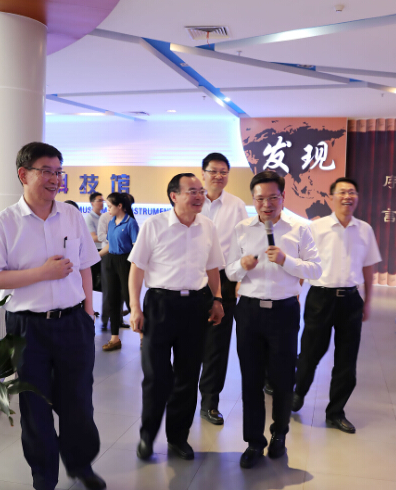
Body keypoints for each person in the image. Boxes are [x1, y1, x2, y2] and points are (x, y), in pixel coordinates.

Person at [0, 142, 105, 490]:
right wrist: (42, 273)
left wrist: (88, 311)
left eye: (58, 171)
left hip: (73, 323)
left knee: (78, 401)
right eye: (46, 171)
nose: (55, 178)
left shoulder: (71, 215)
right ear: (24, 174)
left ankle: (81, 466)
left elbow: (85, 265)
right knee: (35, 407)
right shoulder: (4, 222)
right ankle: (44, 481)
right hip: (27, 328)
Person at [225, 171, 321, 468]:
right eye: (260, 199)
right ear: (253, 199)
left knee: (282, 377)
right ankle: (254, 441)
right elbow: (229, 271)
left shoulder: (299, 230)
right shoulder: (242, 228)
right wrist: (241, 266)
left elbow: (316, 270)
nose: (266, 204)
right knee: (251, 379)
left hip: (284, 311)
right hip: (249, 311)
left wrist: (285, 260)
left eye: (273, 198)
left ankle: (279, 434)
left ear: (283, 197)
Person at [128, 173, 224, 461]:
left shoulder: (207, 226)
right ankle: (147, 436)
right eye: (192, 191)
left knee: (187, 376)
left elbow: (213, 267)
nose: (199, 196)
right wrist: (135, 307)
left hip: (195, 306)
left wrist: (217, 298)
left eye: (201, 191)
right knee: (156, 377)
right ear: (174, 195)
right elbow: (137, 268)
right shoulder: (154, 225)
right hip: (160, 305)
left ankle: (178, 438)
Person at [291, 178, 382, 434]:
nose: (347, 196)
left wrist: (367, 302)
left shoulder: (365, 230)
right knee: (310, 352)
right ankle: (297, 394)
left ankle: (336, 412)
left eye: (352, 192)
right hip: (320, 298)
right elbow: (302, 263)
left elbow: (368, 268)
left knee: (347, 360)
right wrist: (294, 293)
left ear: (357, 197)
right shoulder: (316, 228)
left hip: (351, 300)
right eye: (342, 192)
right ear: (331, 198)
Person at [198, 152, 248, 425]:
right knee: (189, 341)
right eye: (213, 171)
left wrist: (239, 278)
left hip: (224, 278)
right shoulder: (192, 200)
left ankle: (210, 402)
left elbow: (243, 243)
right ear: (203, 173)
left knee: (217, 345)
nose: (219, 176)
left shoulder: (237, 205)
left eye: (224, 172)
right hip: (192, 278)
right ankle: (182, 397)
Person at [102, 193, 139, 352]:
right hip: (111, 261)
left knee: (130, 299)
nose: (108, 209)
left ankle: (143, 336)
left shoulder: (131, 223)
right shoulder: (111, 222)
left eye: (110, 206)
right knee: (112, 299)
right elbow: (110, 245)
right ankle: (114, 338)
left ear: (120, 206)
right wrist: (95, 256)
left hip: (125, 262)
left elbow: (136, 248)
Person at [86, 192, 104, 318]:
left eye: (103, 200)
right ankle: (89, 309)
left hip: (104, 251)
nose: (102, 203)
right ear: (92, 203)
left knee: (103, 282)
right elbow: (93, 237)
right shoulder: (89, 218)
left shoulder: (104, 217)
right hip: (94, 252)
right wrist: (110, 238)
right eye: (99, 200)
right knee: (92, 282)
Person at [96, 206, 111, 331]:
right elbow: (100, 236)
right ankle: (105, 320)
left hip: (123, 257)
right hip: (107, 255)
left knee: (122, 291)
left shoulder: (128, 218)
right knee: (107, 289)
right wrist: (115, 237)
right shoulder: (105, 217)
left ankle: (118, 318)